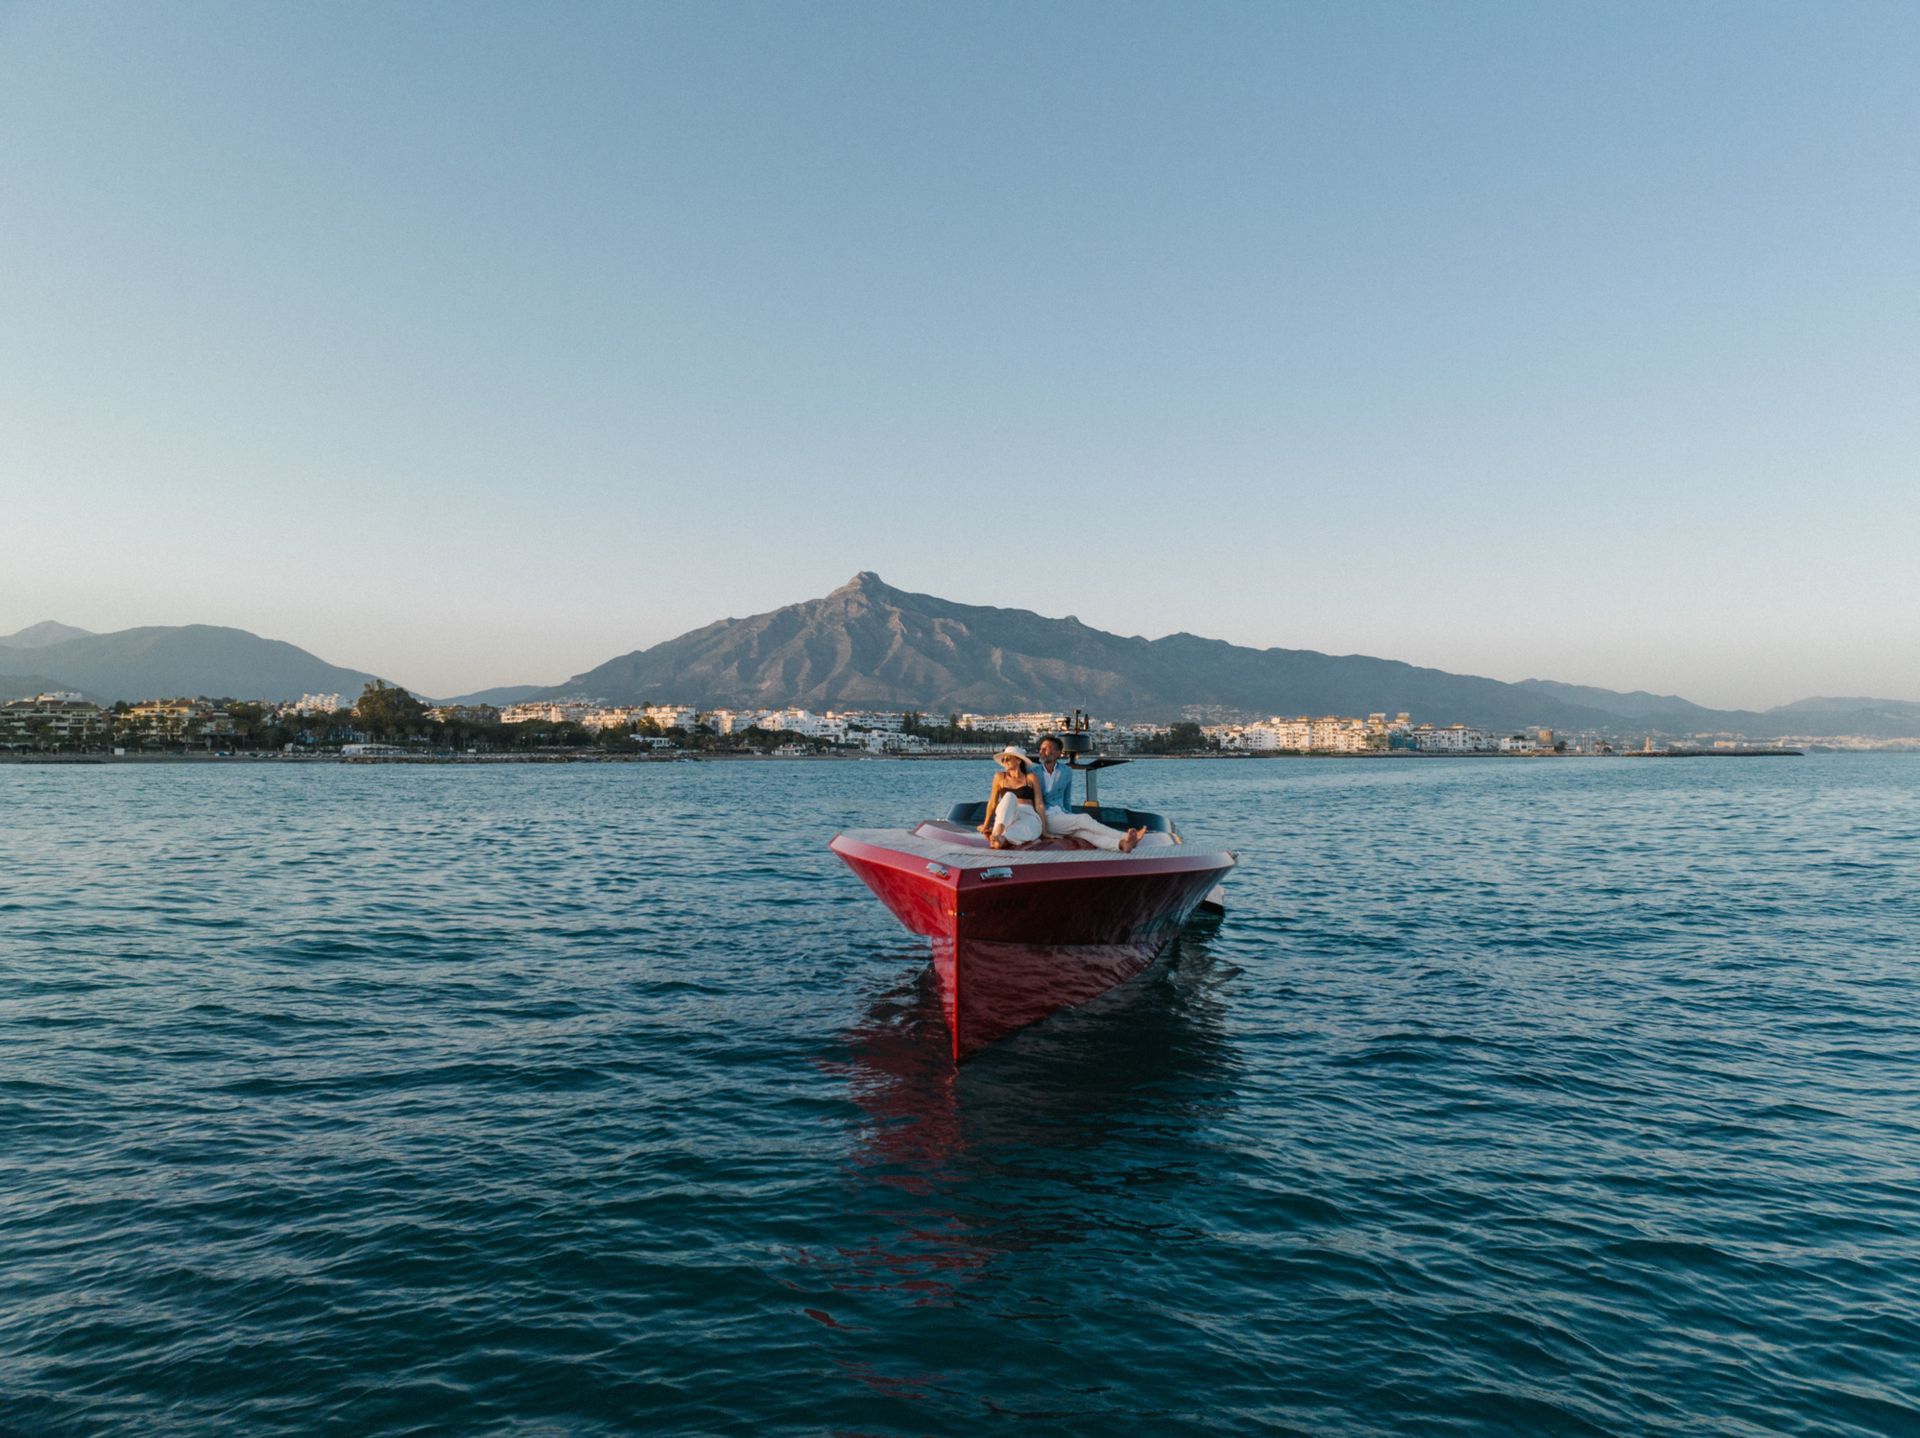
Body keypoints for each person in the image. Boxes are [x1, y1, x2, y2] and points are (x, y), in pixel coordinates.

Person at [1031, 734, 1146, 852]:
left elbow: (1066, 798)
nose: (1041, 751)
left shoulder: (1066, 771)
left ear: (1057, 753)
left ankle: (1121, 845)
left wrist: (1069, 816)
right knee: (1083, 819)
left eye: (1045, 749)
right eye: (1041, 749)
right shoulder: (1033, 771)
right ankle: (1127, 837)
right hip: (1044, 818)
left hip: (1062, 815)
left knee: (1084, 833)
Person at [979, 745, 1045, 848]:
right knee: (1009, 796)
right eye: (1003, 759)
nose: (1004, 762)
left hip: (1028, 814)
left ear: (1018, 760)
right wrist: (986, 825)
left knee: (1028, 827)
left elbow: (1039, 804)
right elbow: (992, 803)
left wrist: (1044, 830)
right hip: (1007, 815)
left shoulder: (1031, 778)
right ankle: (998, 831)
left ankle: (1002, 838)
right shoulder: (1000, 777)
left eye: (1008, 759)